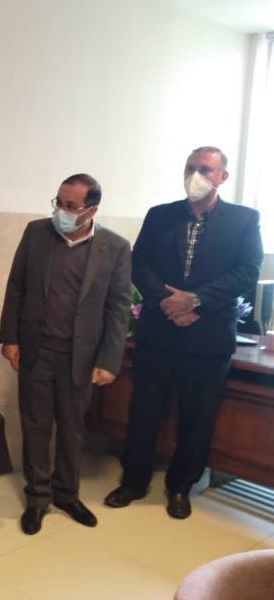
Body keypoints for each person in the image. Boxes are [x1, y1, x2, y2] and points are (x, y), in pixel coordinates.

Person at [105, 147, 263, 519]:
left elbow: (247, 271)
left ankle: (180, 487)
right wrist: (167, 301)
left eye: (205, 169)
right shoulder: (161, 215)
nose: (196, 175)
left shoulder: (244, 219)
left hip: (208, 336)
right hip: (159, 332)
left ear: (223, 176)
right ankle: (133, 481)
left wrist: (195, 300)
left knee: (198, 415)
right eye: (191, 168)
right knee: (144, 409)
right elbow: (139, 263)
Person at [0, 173, 132, 535]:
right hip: (37, 351)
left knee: (73, 429)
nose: (62, 211)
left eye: (71, 206)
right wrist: (10, 338)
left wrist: (109, 360)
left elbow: (119, 307)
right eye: (58, 202)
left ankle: (67, 494)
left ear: (92, 210)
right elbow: (16, 287)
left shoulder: (115, 247)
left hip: (81, 358)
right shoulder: (36, 233)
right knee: (36, 427)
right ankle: (37, 498)